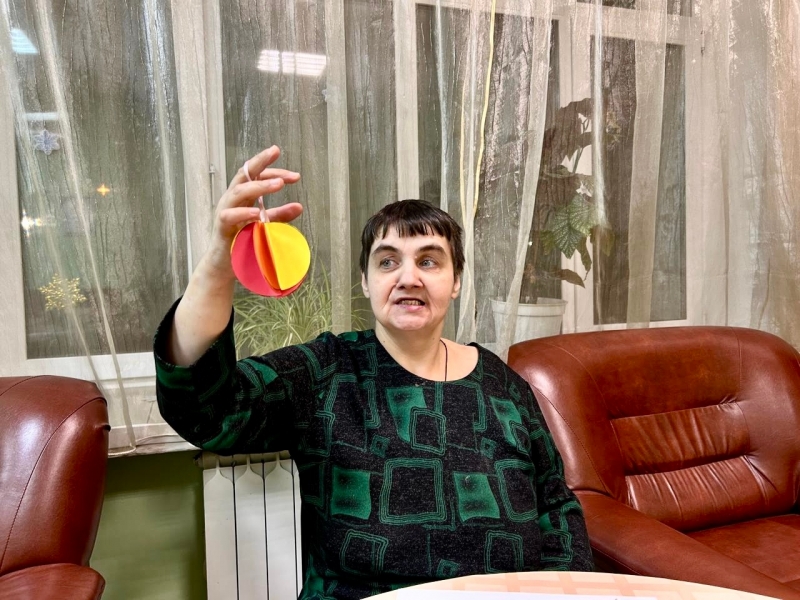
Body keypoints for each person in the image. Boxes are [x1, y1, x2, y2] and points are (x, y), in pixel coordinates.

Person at [154, 146, 593, 600]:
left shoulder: (502, 385)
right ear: (366, 281)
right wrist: (218, 262)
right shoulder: (325, 372)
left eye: (429, 261)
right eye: (387, 261)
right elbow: (206, 409)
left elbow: (556, 508)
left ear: (456, 281)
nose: (408, 278)